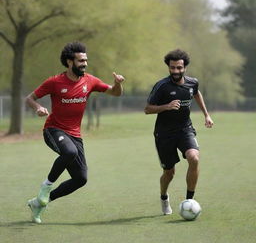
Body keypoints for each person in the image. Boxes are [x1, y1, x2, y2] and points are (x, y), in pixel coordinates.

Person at [25, 41, 125, 223]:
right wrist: (38, 108)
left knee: (81, 179)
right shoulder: (54, 82)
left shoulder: (90, 81)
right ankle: (45, 187)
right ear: (70, 62)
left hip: (74, 135)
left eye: (85, 60)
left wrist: (117, 84)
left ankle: (39, 203)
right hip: (53, 130)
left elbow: (115, 93)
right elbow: (30, 98)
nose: (84, 64)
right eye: (80, 61)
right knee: (69, 152)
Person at [144, 49, 213, 215]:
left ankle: (189, 200)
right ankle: (163, 197)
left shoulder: (192, 82)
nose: (176, 71)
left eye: (179, 68)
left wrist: (206, 114)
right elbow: (147, 109)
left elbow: (196, 93)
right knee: (169, 173)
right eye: (172, 68)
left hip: (185, 129)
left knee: (194, 158)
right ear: (168, 67)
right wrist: (166, 107)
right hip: (164, 134)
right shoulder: (162, 86)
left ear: (185, 68)